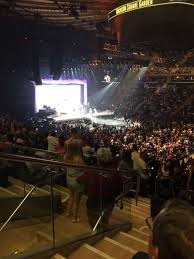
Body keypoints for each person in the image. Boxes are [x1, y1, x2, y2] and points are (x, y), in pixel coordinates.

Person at [77, 148, 122, 230]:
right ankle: (102, 231)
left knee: (94, 223)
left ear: (98, 158)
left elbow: (79, 180)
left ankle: (97, 233)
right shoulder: (116, 172)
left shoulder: (92, 170)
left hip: (94, 202)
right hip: (109, 202)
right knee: (104, 219)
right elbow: (119, 189)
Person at [64, 139, 85, 222]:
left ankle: (68, 212)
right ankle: (75, 218)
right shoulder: (78, 159)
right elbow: (84, 169)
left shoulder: (65, 156)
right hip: (77, 181)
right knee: (77, 201)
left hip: (69, 179)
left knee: (71, 196)